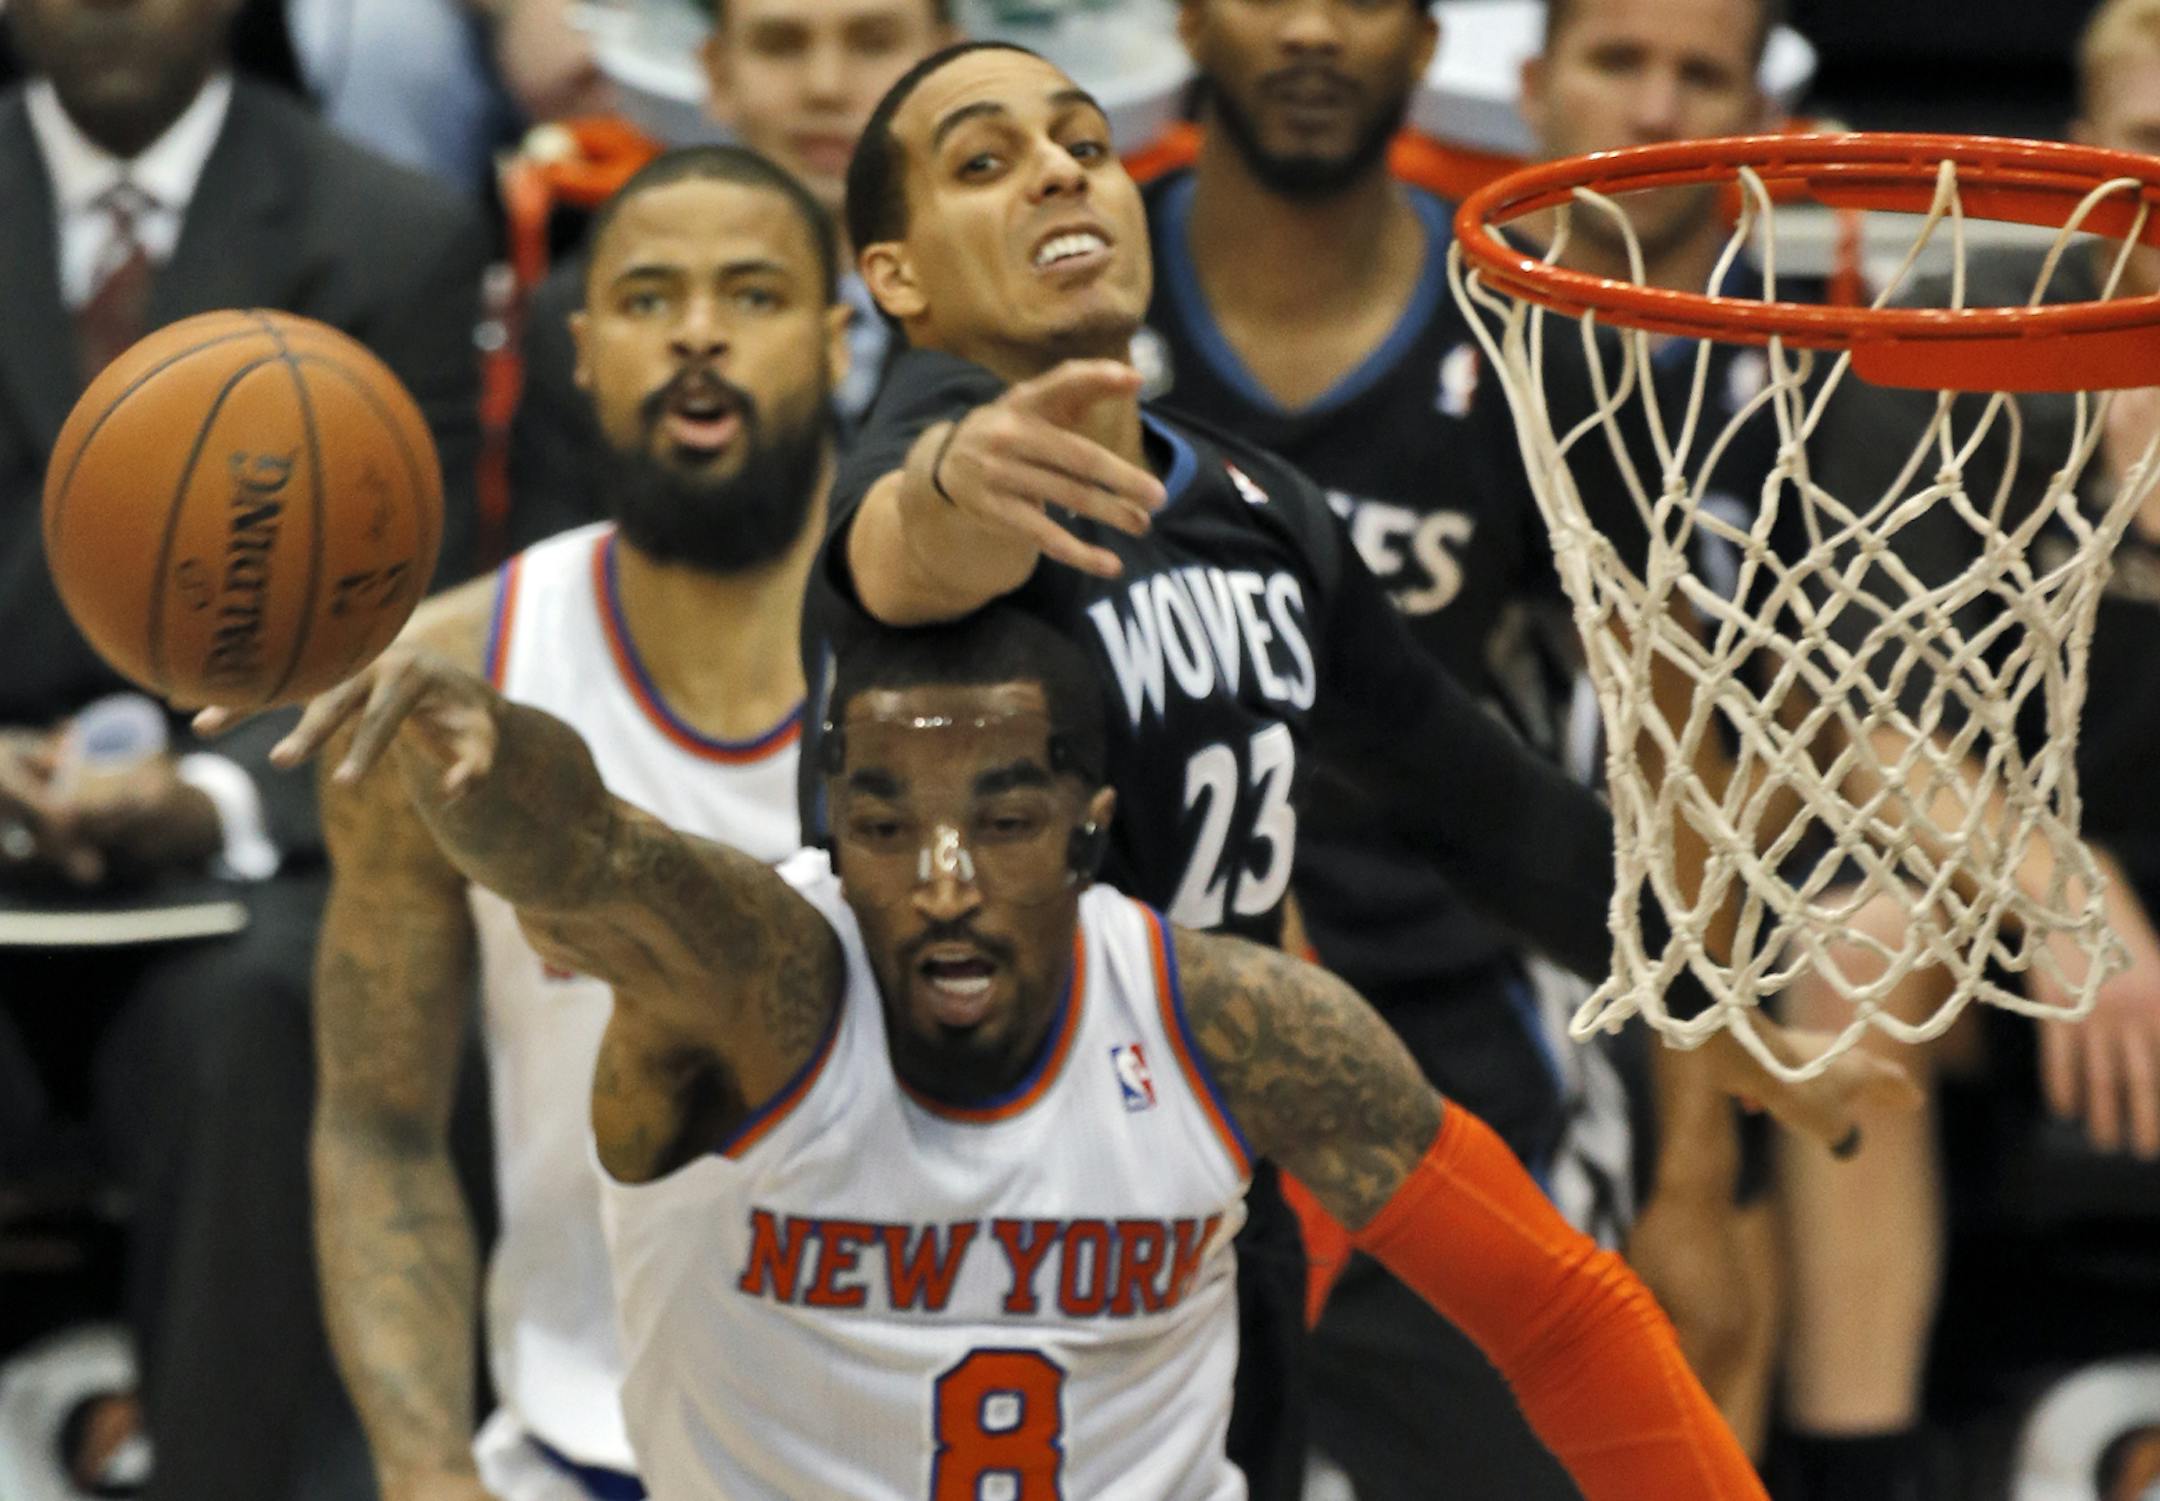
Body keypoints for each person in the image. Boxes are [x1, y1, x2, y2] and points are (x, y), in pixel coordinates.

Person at [807, 38, 1910, 1498]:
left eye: (1079, 140)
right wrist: (954, 486)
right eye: (984, 160)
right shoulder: (925, 465)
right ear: (898, 276)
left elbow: (1485, 808)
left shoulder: (1267, 515)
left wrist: (1726, 1006)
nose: (1058, 169)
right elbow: (898, 553)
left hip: (1217, 1193)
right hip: (967, 1211)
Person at [229, 600, 1778, 1501]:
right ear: (830, 830)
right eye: (887, 831)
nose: (946, 883)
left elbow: (1566, 1318)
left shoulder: (1239, 1022)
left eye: (1008, 823)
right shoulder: (764, 991)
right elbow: (589, 849)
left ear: (1094, 829)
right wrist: (483, 758)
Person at [1137, 0, 1786, 1488]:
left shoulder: (1533, 335)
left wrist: (1695, 1168)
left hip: (1466, 1032)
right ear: (1186, 17)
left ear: (1432, 44)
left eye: (1361, 1)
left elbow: (1672, 742)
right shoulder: (1082, 296)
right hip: (1140, 1028)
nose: (1311, 31)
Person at [310, 145, 849, 1501]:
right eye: (650, 296)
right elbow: (376, 1128)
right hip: (587, 1444)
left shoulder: (967, 662)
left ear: (844, 342)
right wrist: (427, 1471)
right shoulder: (453, 673)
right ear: (582, 350)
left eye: (755, 294)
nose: (700, 331)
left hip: (925, 1438)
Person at [0, 0, 485, 1494]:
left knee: (282, 1001)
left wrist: (213, 794)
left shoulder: (393, 229)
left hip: (246, 839)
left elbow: (426, 617)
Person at [1777, 4, 2160, 1494]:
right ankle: (1855, 1463)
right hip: (2019, 911)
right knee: (1858, 938)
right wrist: (2073, 900)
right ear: (2078, 154)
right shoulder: (1958, 360)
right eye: (2146, 143)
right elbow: (1874, 733)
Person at [507, 0, 957, 551]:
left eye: (873, 42)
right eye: (780, 44)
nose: (825, 86)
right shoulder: (595, 306)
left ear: (947, 66)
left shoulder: (1026, 302)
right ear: (717, 71)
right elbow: (553, 584)